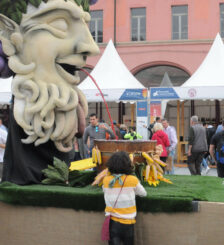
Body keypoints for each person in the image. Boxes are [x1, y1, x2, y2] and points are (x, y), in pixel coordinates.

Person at [1, 0, 100, 185]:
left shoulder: (69, 102)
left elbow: (78, 131)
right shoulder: (26, 101)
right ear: (10, 35)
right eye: (59, 24)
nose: (91, 46)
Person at [102, 151, 147, 245]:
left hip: (113, 222)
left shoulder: (106, 180)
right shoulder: (132, 180)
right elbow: (143, 193)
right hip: (128, 223)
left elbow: (105, 191)